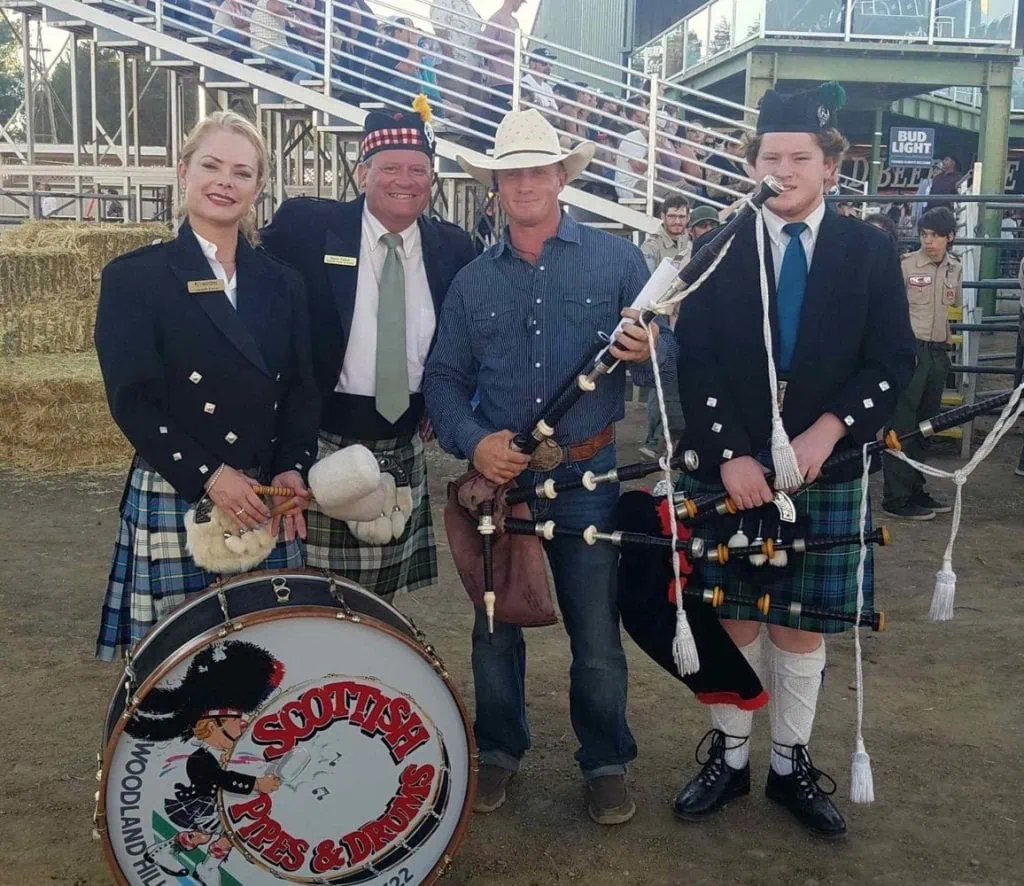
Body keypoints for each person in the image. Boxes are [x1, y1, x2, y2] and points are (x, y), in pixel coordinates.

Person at [671, 82, 915, 838]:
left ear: (830, 167)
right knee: (733, 618)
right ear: (753, 164)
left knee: (800, 624)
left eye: (800, 156)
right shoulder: (717, 246)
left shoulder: (869, 250)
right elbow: (695, 361)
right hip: (729, 468)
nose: (784, 168)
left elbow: (890, 361)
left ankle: (789, 764)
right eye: (770, 155)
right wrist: (731, 456)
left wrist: (829, 432)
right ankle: (732, 755)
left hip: (826, 470)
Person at [423, 108, 654, 825]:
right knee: (495, 628)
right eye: (511, 173)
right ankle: (498, 750)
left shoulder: (620, 262)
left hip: (588, 474)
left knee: (595, 630)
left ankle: (607, 760)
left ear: (561, 176)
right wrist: (473, 441)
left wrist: (652, 350)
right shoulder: (470, 282)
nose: (525, 183)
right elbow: (442, 379)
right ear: (495, 186)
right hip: (503, 481)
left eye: (537, 170)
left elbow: (668, 355)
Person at [94, 111, 320, 662]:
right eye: (211, 166)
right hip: (179, 488)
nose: (225, 182)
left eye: (241, 173)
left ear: (258, 187)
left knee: (264, 665)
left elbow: (301, 389)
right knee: (176, 670)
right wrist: (211, 476)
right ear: (183, 173)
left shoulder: (283, 283)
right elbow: (132, 399)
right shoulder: (134, 278)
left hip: (261, 496)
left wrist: (292, 465)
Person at [261, 101, 476, 600]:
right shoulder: (307, 228)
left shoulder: (452, 247)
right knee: (310, 597)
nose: (406, 180)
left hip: (403, 441)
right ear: (363, 173)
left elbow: (473, 334)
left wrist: (448, 400)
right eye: (391, 168)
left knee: (380, 604)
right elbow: (246, 277)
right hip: (322, 441)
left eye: (419, 169)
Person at [882, 207, 962, 520]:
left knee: (927, 424)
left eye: (936, 235)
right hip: (911, 350)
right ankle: (896, 498)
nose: (929, 241)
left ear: (949, 237)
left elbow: (953, 304)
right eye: (924, 234)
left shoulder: (955, 268)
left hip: (939, 350)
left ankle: (916, 488)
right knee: (902, 423)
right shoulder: (905, 265)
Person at [249, 0, 317, 82]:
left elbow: (296, 25)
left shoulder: (280, 9)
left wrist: (295, 19)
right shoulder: (268, 2)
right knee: (308, 67)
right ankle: (292, 94)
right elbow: (276, 8)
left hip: (274, 49)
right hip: (268, 49)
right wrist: (293, 16)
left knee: (313, 63)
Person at [641, 194, 691, 273]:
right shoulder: (651, 247)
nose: (677, 221)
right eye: (672, 216)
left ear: (688, 218)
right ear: (663, 216)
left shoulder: (687, 242)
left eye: (681, 217)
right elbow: (645, 280)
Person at [614, 96, 649, 201]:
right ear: (637, 111)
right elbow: (638, 167)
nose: (647, 112)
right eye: (644, 108)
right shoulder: (626, 132)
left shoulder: (640, 132)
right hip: (631, 184)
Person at [520, 47, 559, 118]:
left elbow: (556, 117)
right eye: (544, 63)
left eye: (551, 64)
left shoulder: (548, 88)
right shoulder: (524, 84)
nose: (548, 67)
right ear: (532, 64)